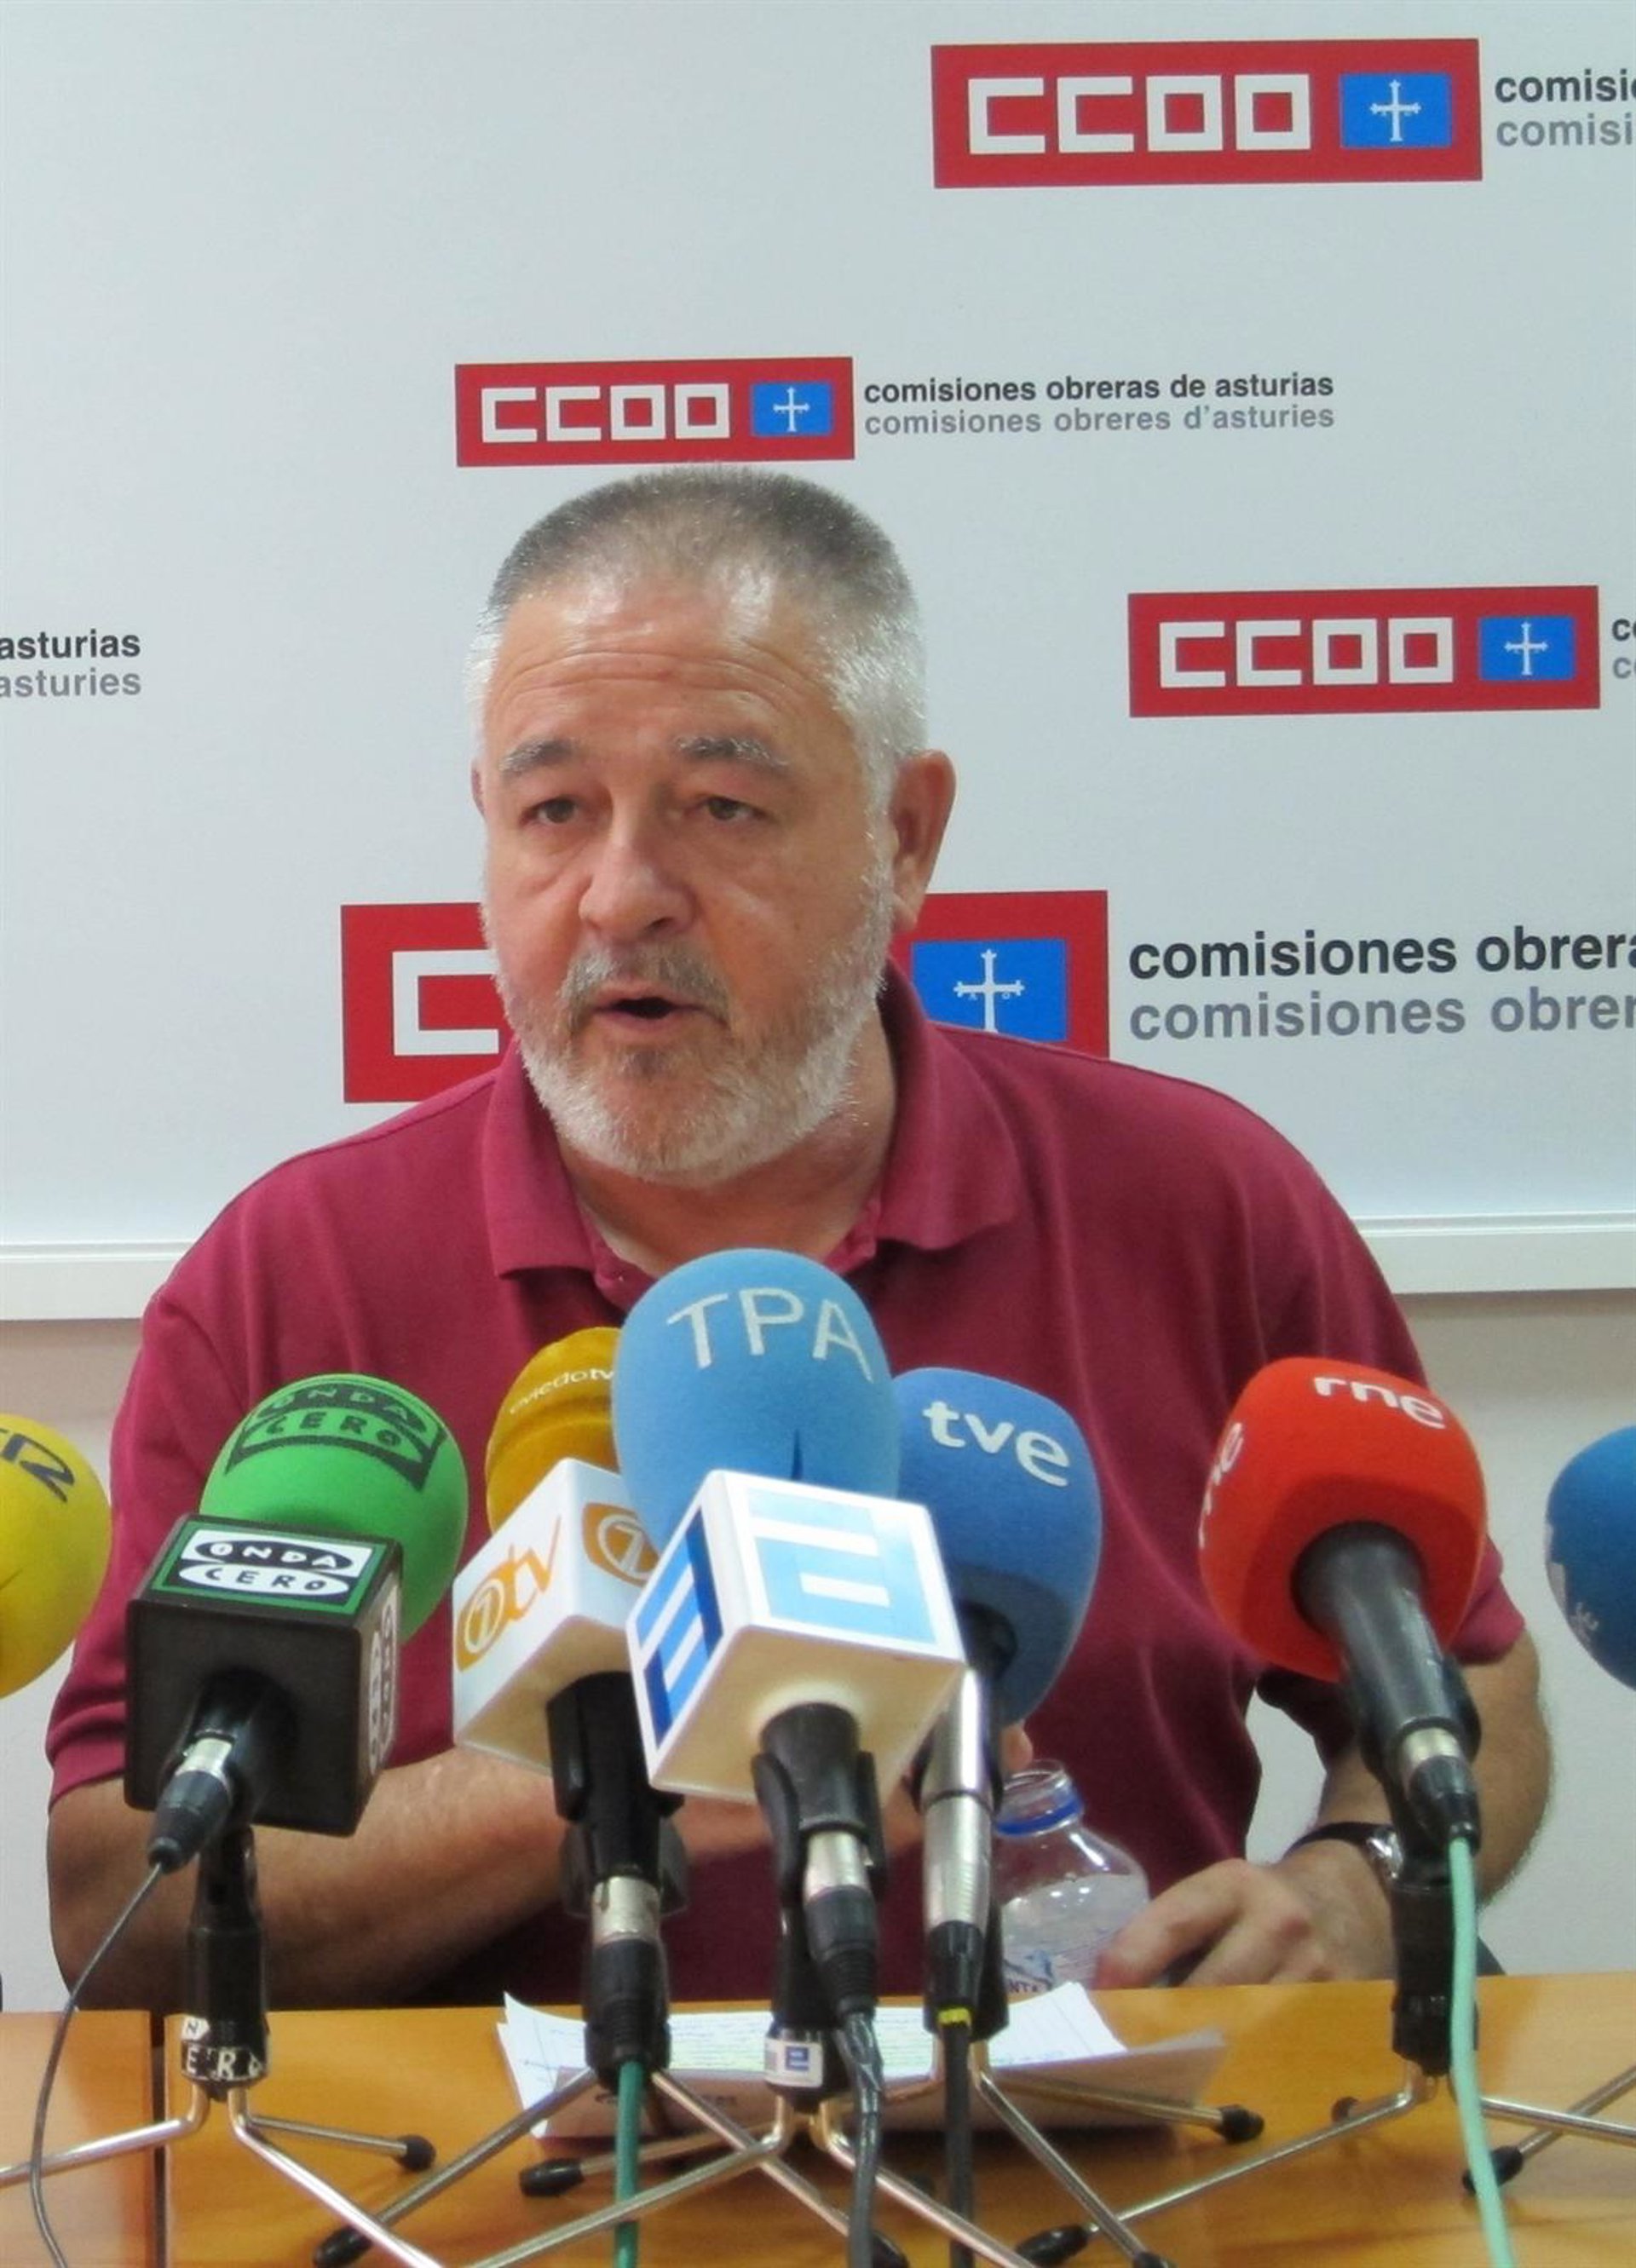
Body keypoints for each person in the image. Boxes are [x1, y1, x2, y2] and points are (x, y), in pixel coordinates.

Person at [47, 469, 1549, 2012]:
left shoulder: (1201, 1201)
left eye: (723, 807)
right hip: (491, 2158)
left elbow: (1467, 1678)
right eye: (555, 810)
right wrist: (633, 1755)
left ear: (907, 836)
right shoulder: (294, 1274)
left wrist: (1355, 1887)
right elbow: (121, 1900)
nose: (621, 897)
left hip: (1117, 2140)